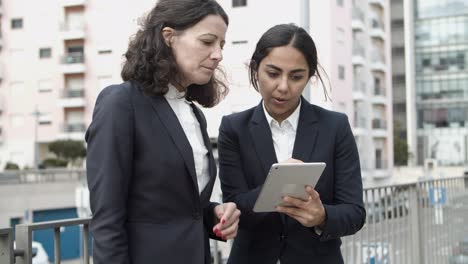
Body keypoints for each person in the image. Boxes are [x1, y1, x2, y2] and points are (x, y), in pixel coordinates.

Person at [85, 1, 240, 263]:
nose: (218, 55)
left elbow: (181, 208)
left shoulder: (194, 115)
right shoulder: (121, 104)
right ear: (169, 37)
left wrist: (215, 214)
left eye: (221, 45)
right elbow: (107, 220)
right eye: (207, 41)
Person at [218, 24, 366, 264]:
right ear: (256, 69)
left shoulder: (335, 126)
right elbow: (236, 207)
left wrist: (322, 217)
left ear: (310, 76)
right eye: (273, 73)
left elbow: (355, 213)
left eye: (296, 76)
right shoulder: (234, 128)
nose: (284, 87)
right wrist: (277, 184)